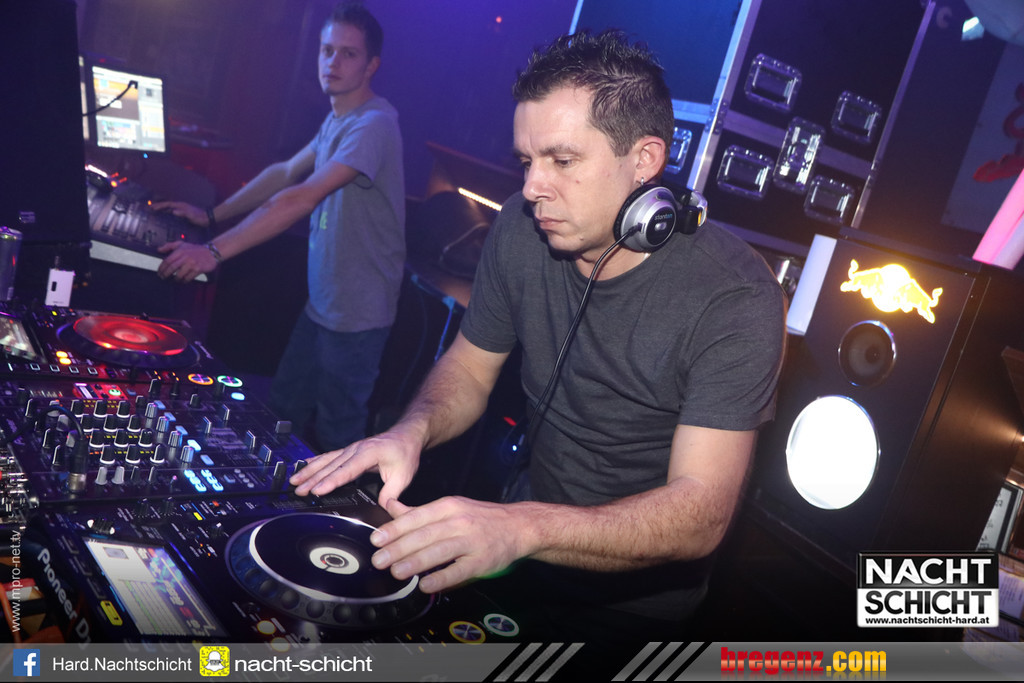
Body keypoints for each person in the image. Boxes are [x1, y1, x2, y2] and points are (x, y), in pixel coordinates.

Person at [291, 30, 785, 640]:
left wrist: (524, 526)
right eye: (527, 161)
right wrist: (409, 432)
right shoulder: (520, 231)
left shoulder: (734, 295)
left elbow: (701, 512)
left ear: (645, 160)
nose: (531, 188)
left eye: (563, 161)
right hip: (518, 561)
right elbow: (470, 369)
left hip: (632, 609)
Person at [155, 1, 404, 451]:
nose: (333, 62)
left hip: (357, 316)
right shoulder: (340, 118)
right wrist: (212, 216)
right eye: (327, 50)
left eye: (348, 53)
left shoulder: (374, 124)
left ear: (372, 65)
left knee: (338, 436)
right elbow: (285, 172)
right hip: (325, 302)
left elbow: (300, 197)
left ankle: (348, 500)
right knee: (282, 412)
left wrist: (212, 251)